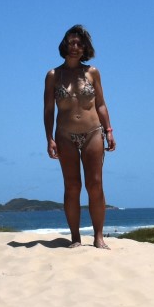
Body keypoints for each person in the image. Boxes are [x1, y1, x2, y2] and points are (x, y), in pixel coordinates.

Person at [44, 24, 115, 248]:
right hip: (65, 135)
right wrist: (49, 139)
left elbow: (101, 104)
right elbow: (48, 110)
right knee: (72, 186)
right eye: (71, 43)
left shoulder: (92, 72)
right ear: (64, 45)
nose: (75, 47)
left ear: (85, 48)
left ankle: (99, 236)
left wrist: (109, 130)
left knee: (95, 185)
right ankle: (75, 237)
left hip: (93, 133)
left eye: (79, 43)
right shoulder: (53, 75)